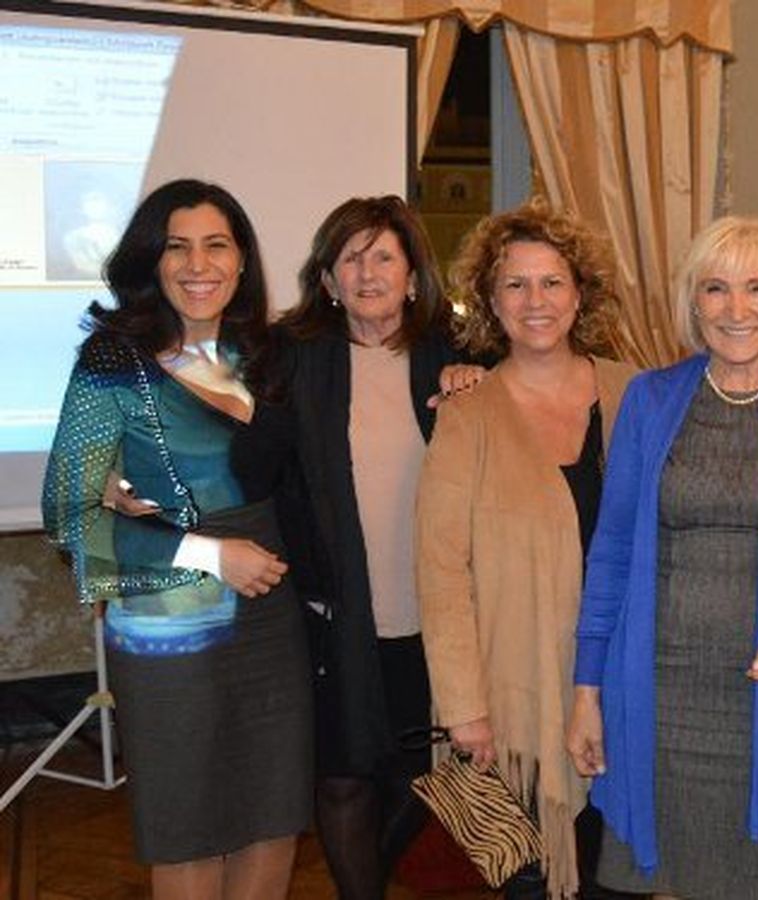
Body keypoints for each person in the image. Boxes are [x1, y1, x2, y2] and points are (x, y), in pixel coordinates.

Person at [565, 216, 758, 898]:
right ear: (693, 304)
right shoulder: (650, 399)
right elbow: (611, 552)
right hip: (659, 692)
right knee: (669, 881)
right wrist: (586, 691)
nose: (737, 309)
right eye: (716, 288)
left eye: (757, 288)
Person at [41, 178, 311, 898]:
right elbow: (68, 512)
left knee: (273, 817)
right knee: (188, 826)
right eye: (177, 247)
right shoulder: (112, 362)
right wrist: (210, 555)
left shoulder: (268, 353)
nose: (199, 264)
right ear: (151, 262)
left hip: (271, 613)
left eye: (216, 245)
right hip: (169, 620)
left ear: (242, 260)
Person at [237, 195, 476, 899]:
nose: (368, 274)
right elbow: (248, 473)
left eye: (384, 257)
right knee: (343, 780)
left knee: (421, 775)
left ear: (412, 275)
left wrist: (482, 383)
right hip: (332, 616)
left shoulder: (455, 356)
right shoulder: (290, 359)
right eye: (351, 259)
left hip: (435, 613)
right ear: (328, 280)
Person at [416, 203, 637, 899]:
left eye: (551, 282)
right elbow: (441, 573)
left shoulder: (636, 393)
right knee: (534, 884)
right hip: (511, 707)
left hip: (628, 691)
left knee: (619, 882)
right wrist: (464, 709)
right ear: (490, 301)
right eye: (515, 284)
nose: (534, 300)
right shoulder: (467, 414)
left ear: (580, 293)